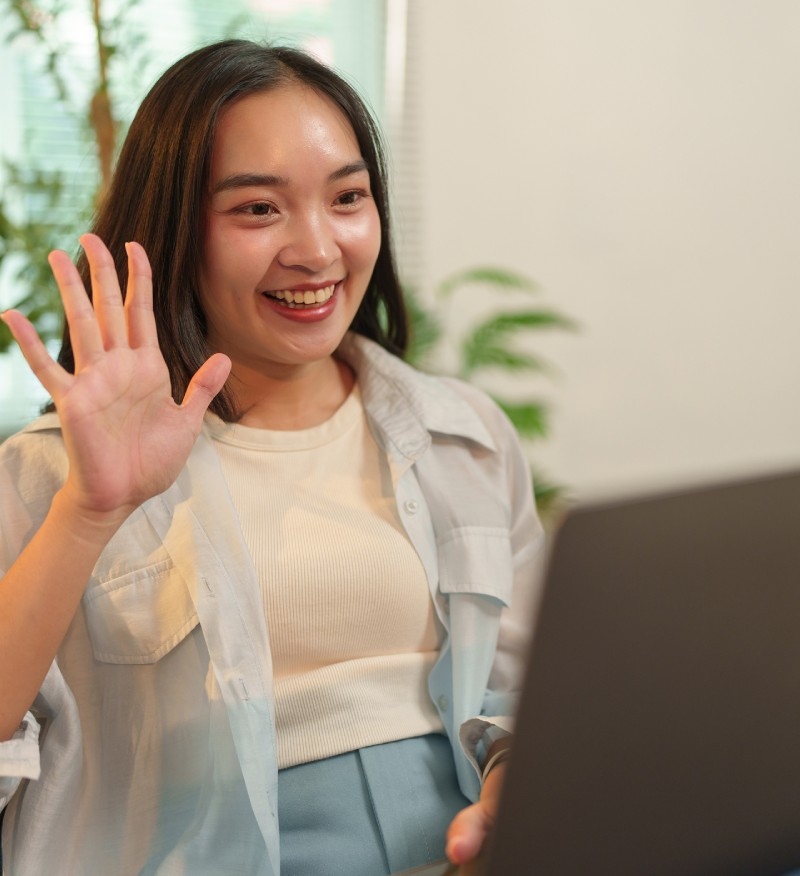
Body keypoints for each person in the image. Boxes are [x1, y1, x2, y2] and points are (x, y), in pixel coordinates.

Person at [0, 39, 544, 875]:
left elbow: (528, 699)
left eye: (348, 198)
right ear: (176, 228)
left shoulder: (462, 434)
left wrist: (517, 785)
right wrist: (89, 513)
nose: (318, 250)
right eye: (258, 209)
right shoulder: (51, 475)